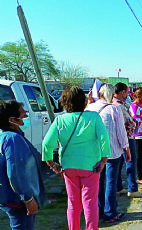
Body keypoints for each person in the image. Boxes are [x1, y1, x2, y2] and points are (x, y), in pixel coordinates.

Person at [43, 86, 111, 230]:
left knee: (73, 203)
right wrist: (104, 159)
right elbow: (104, 137)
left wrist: (51, 163)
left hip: (68, 166)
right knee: (90, 202)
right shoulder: (93, 117)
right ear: (84, 101)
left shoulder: (60, 120)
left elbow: (47, 144)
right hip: (91, 166)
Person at [86, 84, 131, 223]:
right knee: (110, 183)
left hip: (94, 153)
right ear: (111, 95)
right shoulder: (114, 109)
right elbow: (121, 133)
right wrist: (127, 149)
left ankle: (98, 210)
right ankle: (110, 212)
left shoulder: (89, 108)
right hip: (112, 152)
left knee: (97, 183)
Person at [0, 100, 46, 230]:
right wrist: (27, 199)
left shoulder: (12, 136)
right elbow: (15, 173)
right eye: (22, 113)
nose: (26, 115)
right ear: (12, 120)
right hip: (17, 200)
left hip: (16, 198)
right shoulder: (12, 139)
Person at [113, 83, 142, 198]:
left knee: (119, 162)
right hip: (127, 136)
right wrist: (136, 123)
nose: (127, 94)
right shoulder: (119, 106)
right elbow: (129, 121)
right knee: (130, 161)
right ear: (122, 92)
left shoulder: (116, 103)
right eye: (126, 92)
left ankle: (118, 187)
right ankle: (132, 189)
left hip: (115, 137)